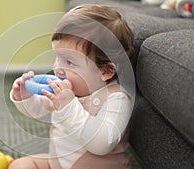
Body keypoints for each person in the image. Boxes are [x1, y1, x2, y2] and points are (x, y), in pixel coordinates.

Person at [9, 4, 135, 169]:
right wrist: (25, 97)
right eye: (58, 58)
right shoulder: (64, 89)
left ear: (105, 71)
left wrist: (68, 105)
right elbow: (36, 109)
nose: (58, 68)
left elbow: (101, 145)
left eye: (69, 62)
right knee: (22, 165)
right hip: (59, 163)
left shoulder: (116, 98)